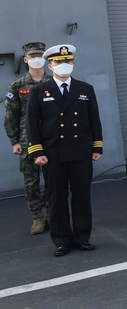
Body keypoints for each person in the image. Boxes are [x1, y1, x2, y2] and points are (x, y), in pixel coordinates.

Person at [25, 45, 102, 256]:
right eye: (59, 62)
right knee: (57, 198)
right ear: (50, 66)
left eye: (67, 61)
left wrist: (97, 145)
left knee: (81, 196)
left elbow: (94, 119)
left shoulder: (85, 89)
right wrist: (36, 151)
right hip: (52, 153)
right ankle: (61, 240)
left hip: (80, 151)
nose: (64, 65)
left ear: (73, 64)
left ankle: (82, 237)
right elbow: (32, 124)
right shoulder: (38, 91)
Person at [5, 42, 50, 235]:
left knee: (53, 180)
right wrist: (14, 141)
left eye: (39, 55)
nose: (36, 58)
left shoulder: (53, 82)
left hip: (51, 139)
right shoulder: (17, 85)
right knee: (31, 183)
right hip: (26, 141)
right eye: (32, 56)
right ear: (25, 59)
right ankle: (37, 217)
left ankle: (52, 214)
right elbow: (10, 115)